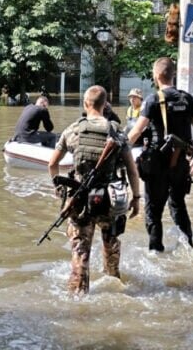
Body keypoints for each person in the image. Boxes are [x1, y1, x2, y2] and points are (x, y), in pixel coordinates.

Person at [48, 85, 141, 294]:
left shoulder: (73, 130)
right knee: (111, 247)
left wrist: (59, 189)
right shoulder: (117, 131)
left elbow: (52, 164)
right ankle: (115, 289)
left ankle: (78, 297)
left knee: (80, 252)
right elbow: (132, 171)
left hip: (80, 202)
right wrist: (136, 198)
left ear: (85, 103)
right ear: (105, 104)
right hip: (111, 200)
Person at [127, 57, 193, 252]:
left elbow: (136, 132)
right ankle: (188, 245)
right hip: (180, 165)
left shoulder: (152, 100)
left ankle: (156, 252)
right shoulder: (187, 99)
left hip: (157, 165)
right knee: (178, 205)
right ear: (173, 75)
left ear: (156, 76)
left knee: (153, 211)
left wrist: (121, 150)